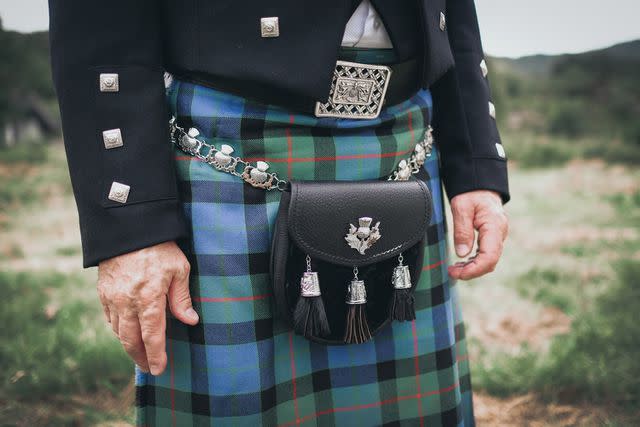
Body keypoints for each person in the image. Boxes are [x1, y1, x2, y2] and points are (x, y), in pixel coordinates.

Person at [47, 0, 510, 425]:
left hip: (403, 138)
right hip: (230, 145)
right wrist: (133, 227)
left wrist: (475, 166)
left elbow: (456, 15)